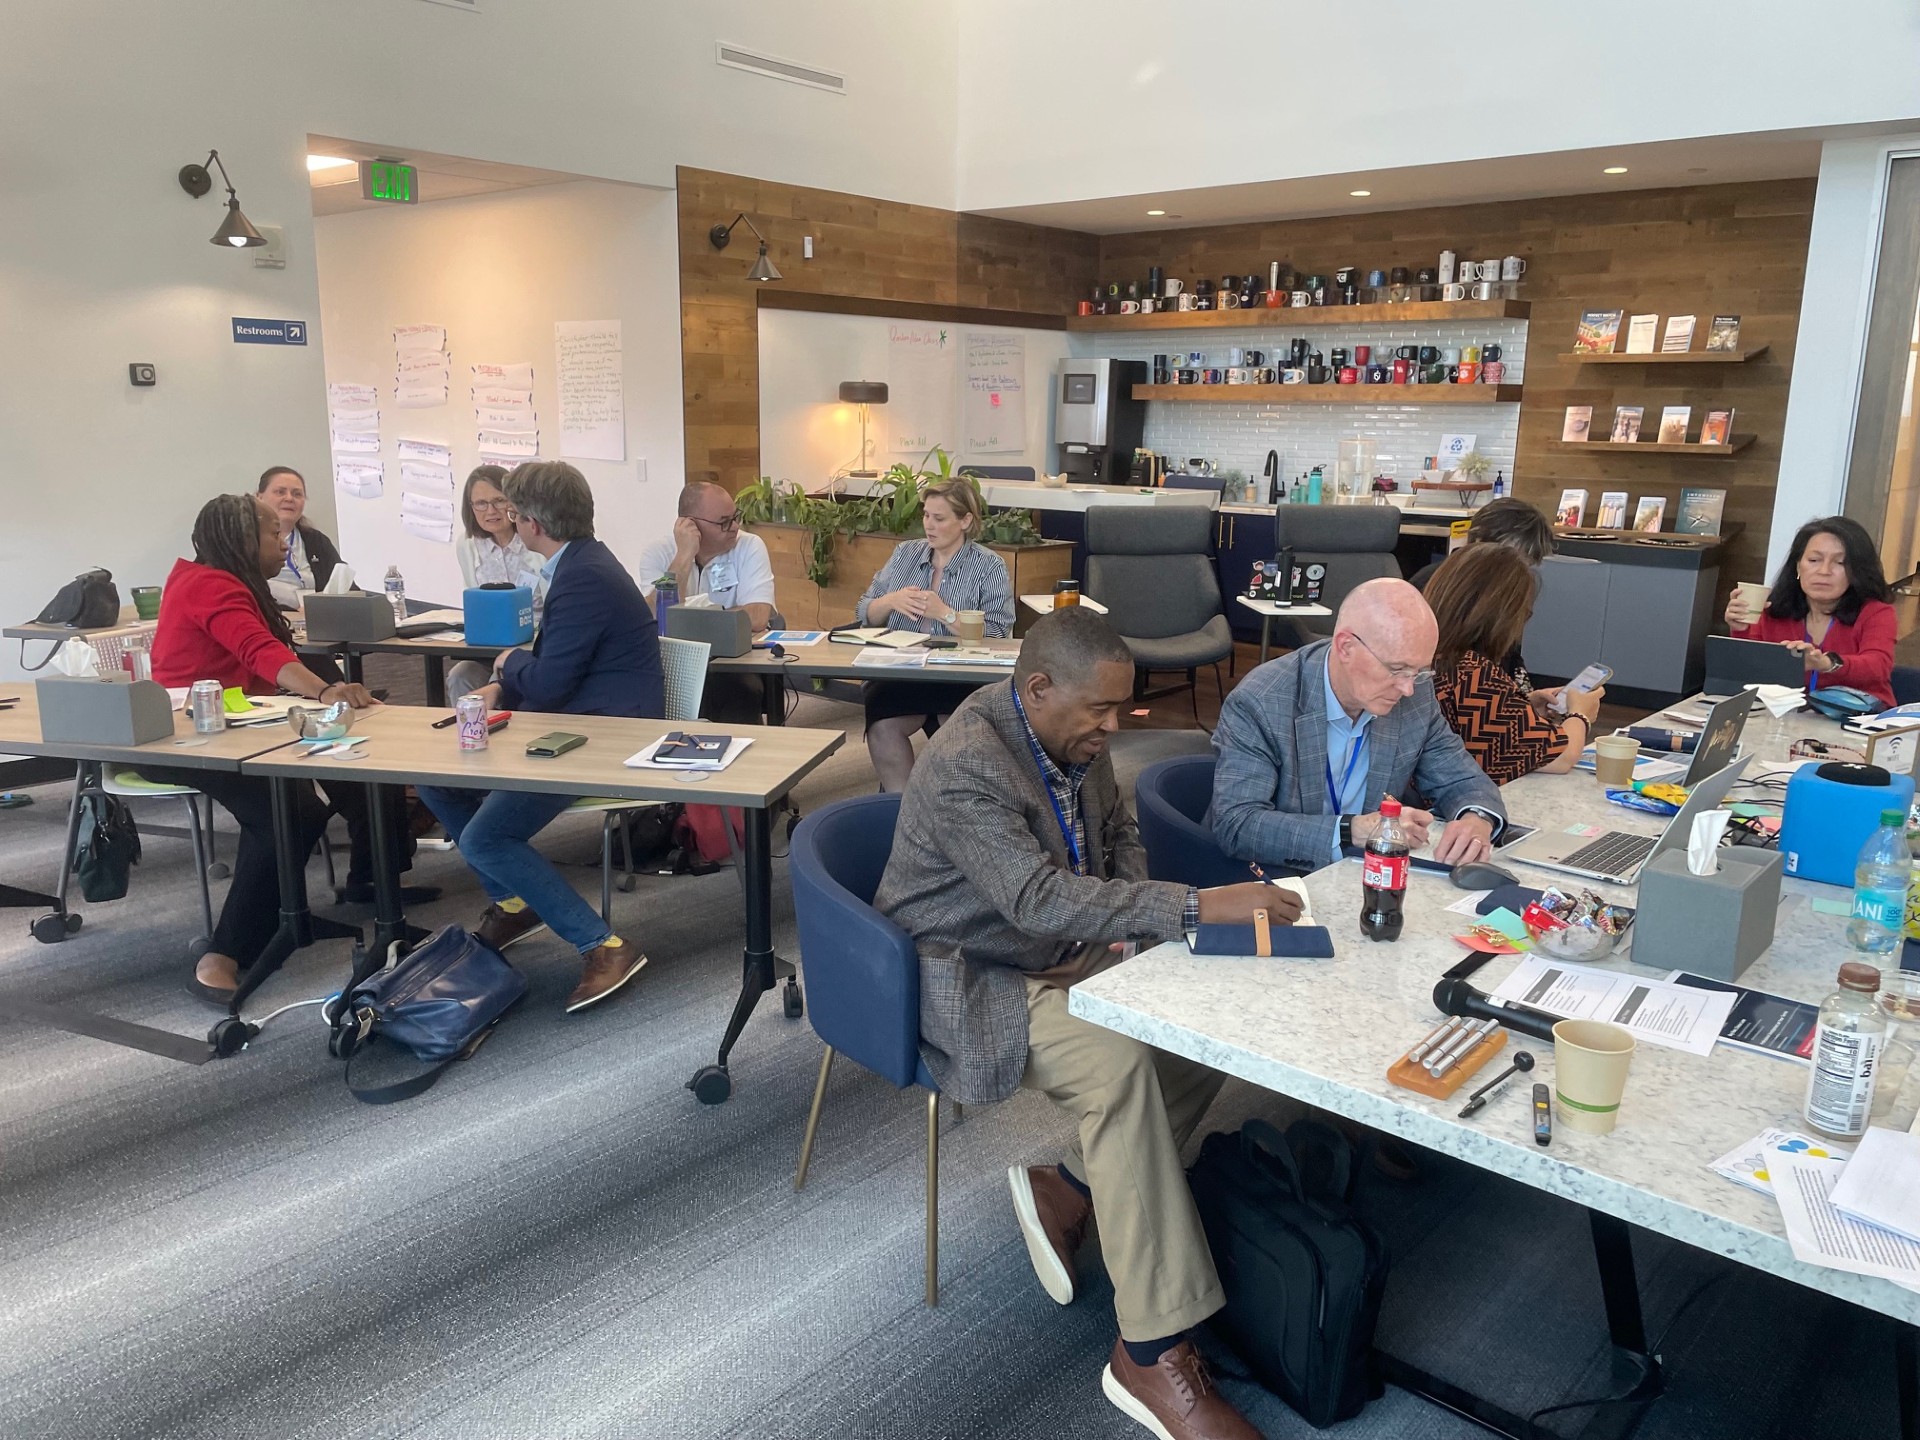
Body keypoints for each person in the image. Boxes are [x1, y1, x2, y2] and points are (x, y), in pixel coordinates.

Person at [874, 608, 1291, 1440]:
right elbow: (1031, 898)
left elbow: (1119, 831)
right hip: (971, 967)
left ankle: (1067, 1185)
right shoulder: (969, 763)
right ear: (1036, 690)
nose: (1116, 726)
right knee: (1118, 1068)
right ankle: (1151, 1351)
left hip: (1058, 942)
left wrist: (1127, 926)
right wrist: (1197, 907)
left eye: (1122, 708)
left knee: (1198, 1023)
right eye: (1101, 711)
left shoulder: (1071, 737)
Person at [417, 461, 666, 1013]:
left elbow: (551, 681)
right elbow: (556, 671)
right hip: (578, 719)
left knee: (485, 838)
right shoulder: (581, 563)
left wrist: (509, 665)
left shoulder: (582, 576)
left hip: (604, 734)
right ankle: (513, 902)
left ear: (529, 522)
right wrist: (505, 683)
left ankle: (605, 945)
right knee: (434, 780)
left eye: (510, 511)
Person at [146, 495, 381, 1002]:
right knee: (290, 816)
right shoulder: (211, 584)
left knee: (332, 785)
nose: (283, 542)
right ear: (240, 541)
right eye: (273, 534)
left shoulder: (209, 575)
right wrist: (321, 691)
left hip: (230, 723)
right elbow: (258, 649)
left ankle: (305, 908)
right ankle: (222, 955)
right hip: (188, 734)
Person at [1211, 577, 1507, 873]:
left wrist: (1476, 819)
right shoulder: (1261, 702)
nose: (1408, 689)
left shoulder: (1414, 696)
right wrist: (1353, 831)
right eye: (1397, 669)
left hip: (1368, 875)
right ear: (1346, 647)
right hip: (1277, 879)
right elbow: (1238, 825)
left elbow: (1461, 778)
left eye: (1419, 672)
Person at [854, 477, 1017, 791]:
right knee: (883, 726)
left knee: (959, 731)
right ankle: (900, 810)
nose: (929, 525)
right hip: (903, 670)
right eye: (926, 515)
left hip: (959, 674)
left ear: (965, 520)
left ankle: (952, 808)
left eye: (939, 518)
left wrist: (945, 613)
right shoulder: (905, 554)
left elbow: (999, 635)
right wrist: (889, 601)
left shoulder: (989, 566)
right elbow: (863, 610)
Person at [1427, 545, 1603, 782]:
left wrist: (1522, 708)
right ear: (1502, 615)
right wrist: (1579, 714)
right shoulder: (1472, 672)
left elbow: (1472, 730)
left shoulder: (1426, 658)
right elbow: (1561, 756)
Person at [633, 480, 779, 722]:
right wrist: (684, 557)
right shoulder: (658, 553)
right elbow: (659, 617)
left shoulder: (749, 546)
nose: (734, 527)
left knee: (735, 691)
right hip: (675, 663)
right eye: (724, 522)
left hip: (732, 661)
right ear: (690, 525)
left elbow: (758, 615)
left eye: (736, 517)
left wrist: (690, 621)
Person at [1725, 514, 1897, 709]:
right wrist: (1740, 629)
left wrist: (1825, 663)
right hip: (1786, 719)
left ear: (1857, 571)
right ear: (1798, 566)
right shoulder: (1773, 608)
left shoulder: (1876, 612)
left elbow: (1878, 666)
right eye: (1814, 560)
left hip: (1858, 720)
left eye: (1840, 563)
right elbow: (1750, 670)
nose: (1824, 571)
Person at [448, 465, 544, 700]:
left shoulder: (534, 539)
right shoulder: (468, 544)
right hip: (489, 646)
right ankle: (468, 734)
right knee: (460, 675)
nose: (490, 511)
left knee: (498, 679)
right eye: (480, 503)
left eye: (499, 500)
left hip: (535, 646)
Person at [1407, 496, 1555, 593]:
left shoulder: (1521, 592)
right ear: (1478, 541)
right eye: (1508, 561)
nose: (1515, 572)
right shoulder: (1429, 583)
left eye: (1527, 564)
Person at [258, 466, 351, 611]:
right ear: (259, 497)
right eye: (280, 492)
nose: (289, 498)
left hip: (314, 624)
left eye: (297, 494)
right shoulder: (245, 543)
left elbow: (347, 587)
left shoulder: (316, 541)